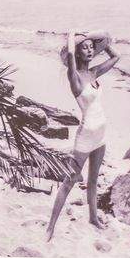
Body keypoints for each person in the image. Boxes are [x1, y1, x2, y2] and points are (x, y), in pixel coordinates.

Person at [45, 29, 121, 241]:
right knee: (69, 182)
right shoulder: (75, 77)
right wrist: (72, 36)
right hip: (85, 136)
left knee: (93, 180)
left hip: (101, 134)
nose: (89, 51)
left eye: (91, 48)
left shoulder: (94, 73)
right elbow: (70, 55)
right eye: (84, 48)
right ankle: (50, 227)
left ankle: (93, 218)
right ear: (78, 53)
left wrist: (100, 41)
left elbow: (116, 56)